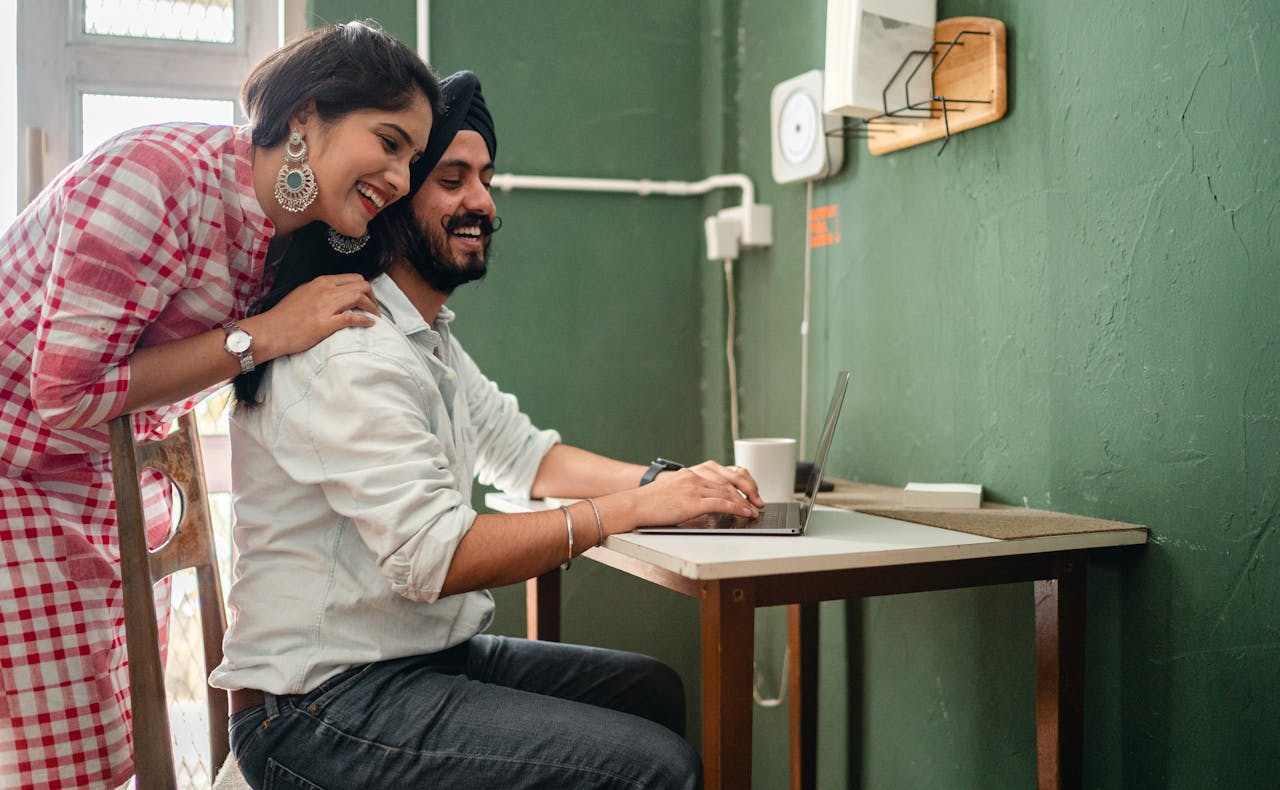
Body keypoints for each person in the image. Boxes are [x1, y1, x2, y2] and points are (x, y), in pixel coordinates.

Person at [211, 71, 763, 790]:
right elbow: (435, 557)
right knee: (656, 770)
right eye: (453, 178)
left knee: (653, 691)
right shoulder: (350, 349)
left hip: (410, 660)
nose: (482, 201)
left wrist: (671, 485)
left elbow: (522, 455)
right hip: (317, 708)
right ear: (392, 196)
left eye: (486, 177)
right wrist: (631, 509)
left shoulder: (419, 333)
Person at [0, 21, 437, 789]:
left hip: (105, 490)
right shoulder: (155, 176)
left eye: (413, 160)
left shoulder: (287, 233)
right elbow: (64, 393)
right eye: (390, 142)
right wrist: (261, 335)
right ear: (305, 116)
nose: (401, 178)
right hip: (18, 483)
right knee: (69, 768)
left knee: (114, 754)